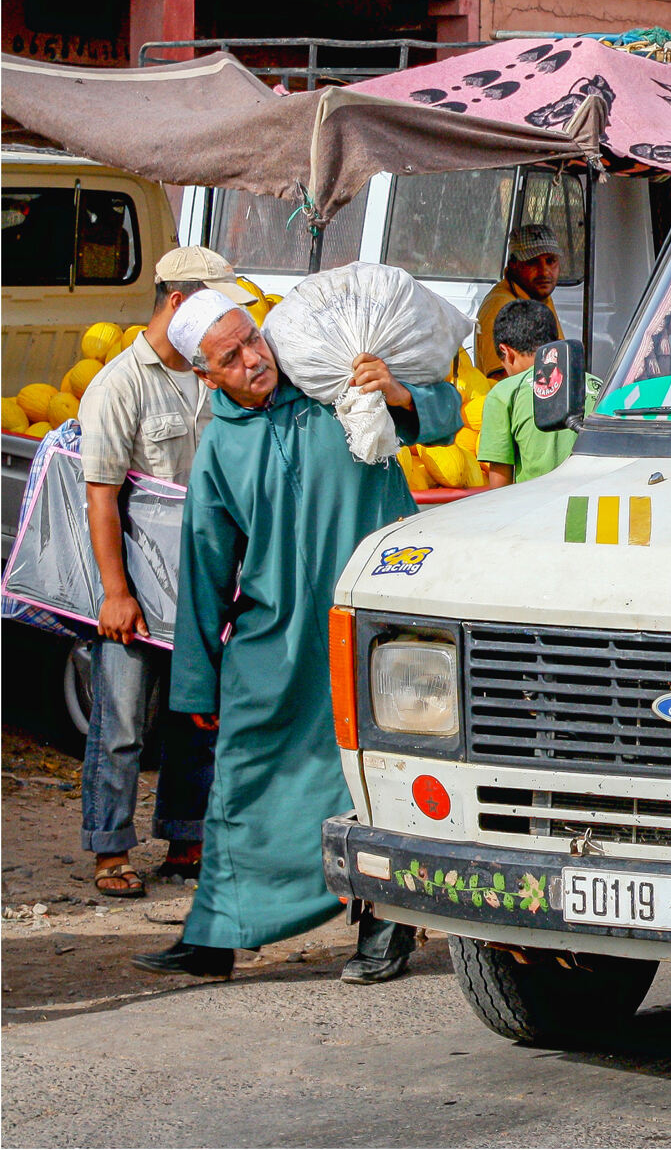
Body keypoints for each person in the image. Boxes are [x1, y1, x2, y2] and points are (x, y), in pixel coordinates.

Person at [132, 289, 461, 982]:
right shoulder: (221, 444)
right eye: (233, 356)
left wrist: (397, 392)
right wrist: (198, 677)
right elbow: (205, 563)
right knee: (244, 778)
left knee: (375, 773)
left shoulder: (329, 386)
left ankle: (383, 923)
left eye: (254, 339)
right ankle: (216, 933)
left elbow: (443, 420)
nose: (256, 358)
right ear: (206, 375)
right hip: (273, 642)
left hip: (371, 628)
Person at [78, 247, 257, 898]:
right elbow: (101, 493)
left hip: (200, 584)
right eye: (216, 306)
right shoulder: (120, 384)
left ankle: (186, 836)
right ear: (180, 305)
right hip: (138, 586)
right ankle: (109, 849)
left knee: (194, 714)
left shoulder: (212, 374)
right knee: (122, 721)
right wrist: (115, 592)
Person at [478, 300, 600, 488]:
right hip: (594, 505)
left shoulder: (504, 394)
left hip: (536, 510)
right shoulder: (600, 386)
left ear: (506, 351)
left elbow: (498, 489)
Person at [475, 224, 565, 380]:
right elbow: (502, 381)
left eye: (551, 261)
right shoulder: (500, 307)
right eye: (532, 262)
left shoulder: (539, 296)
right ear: (513, 265)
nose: (544, 271)